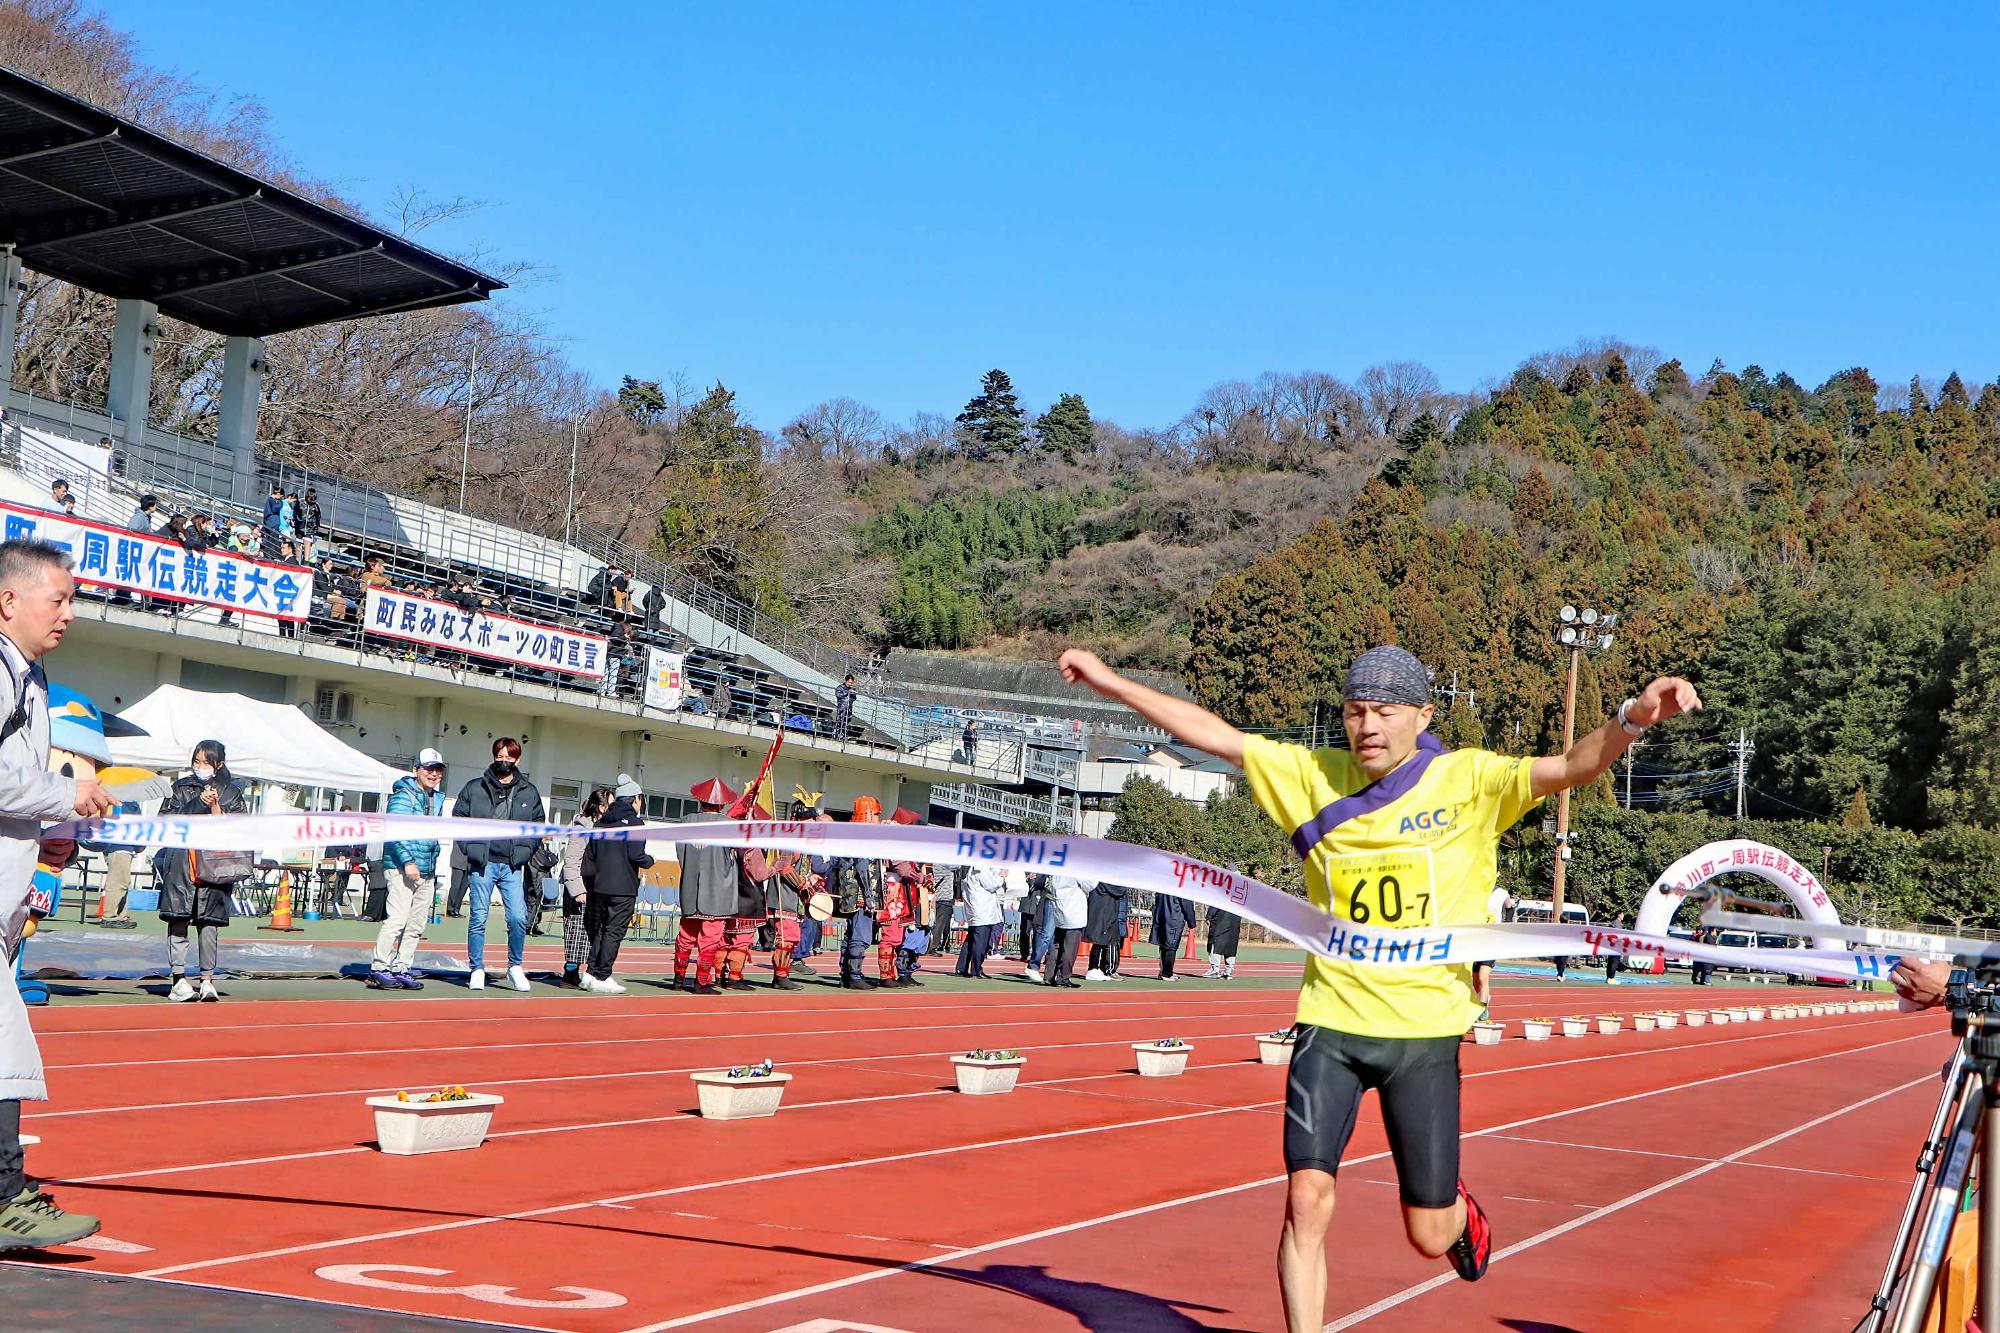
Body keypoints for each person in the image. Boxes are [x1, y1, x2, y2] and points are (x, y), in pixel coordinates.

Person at [1058, 641, 1701, 1323]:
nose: (1366, 725)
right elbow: (1218, 736)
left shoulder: (1470, 780)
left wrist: (1632, 716)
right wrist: (1112, 682)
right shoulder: (1312, 776)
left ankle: (1458, 1216)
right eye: (1355, 710)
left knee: (1426, 1233)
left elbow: (1573, 765)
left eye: (1384, 711)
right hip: (1330, 1021)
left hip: (1422, 1031)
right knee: (1306, 1196)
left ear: (1423, 714)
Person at [0, 540, 115, 1250]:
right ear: (9, 599)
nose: (69, 613)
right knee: (4, 1048)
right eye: (59, 598)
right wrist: (64, 797)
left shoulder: (30, 677)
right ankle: (7, 1194)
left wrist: (51, 826)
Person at [450, 737, 546, 992]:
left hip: (513, 865)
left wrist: (525, 852)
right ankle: (477, 968)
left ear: (517, 759)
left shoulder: (529, 791)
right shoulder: (475, 787)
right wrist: (470, 849)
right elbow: (458, 818)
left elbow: (538, 825)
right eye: (500, 755)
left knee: (517, 916)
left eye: (509, 756)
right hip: (482, 864)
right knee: (478, 917)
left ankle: (515, 966)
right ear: (494, 756)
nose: (504, 760)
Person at [155, 739, 248, 1002]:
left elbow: (240, 828)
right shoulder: (181, 788)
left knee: (209, 924)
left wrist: (217, 808)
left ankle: (207, 979)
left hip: (215, 866)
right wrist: (198, 803)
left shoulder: (232, 793)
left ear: (219, 764)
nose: (200, 767)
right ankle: (178, 980)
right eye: (197, 761)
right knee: (179, 919)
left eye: (206, 762)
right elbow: (166, 822)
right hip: (182, 863)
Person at [372, 750, 448, 990]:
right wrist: (407, 862)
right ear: (416, 769)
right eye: (428, 768)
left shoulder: (436, 799)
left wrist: (431, 864)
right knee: (397, 920)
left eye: (437, 769)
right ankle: (379, 966)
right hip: (401, 868)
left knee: (416, 925)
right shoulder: (403, 796)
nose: (433, 773)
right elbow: (394, 831)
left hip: (426, 870)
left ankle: (402, 966)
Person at [580, 776, 651, 994]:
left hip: (599, 886)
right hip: (623, 888)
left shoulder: (601, 823)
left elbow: (589, 856)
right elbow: (636, 855)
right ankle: (603, 974)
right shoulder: (636, 824)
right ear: (636, 799)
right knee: (614, 931)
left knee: (601, 930)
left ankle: (591, 973)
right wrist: (649, 860)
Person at [674, 786, 739, 994]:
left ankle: (678, 977)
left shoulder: (685, 821)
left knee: (686, 934)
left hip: (690, 886)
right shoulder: (729, 824)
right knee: (710, 938)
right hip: (718, 888)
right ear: (721, 804)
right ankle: (701, 981)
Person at [834, 796, 886, 990]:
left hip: (850, 894)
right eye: (877, 815)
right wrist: (870, 897)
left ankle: (846, 974)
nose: (879, 820)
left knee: (850, 934)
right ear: (870, 815)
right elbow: (863, 869)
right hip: (861, 895)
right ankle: (854, 975)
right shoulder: (862, 838)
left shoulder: (851, 835)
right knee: (861, 935)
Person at [560, 788, 609, 987]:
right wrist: (577, 889)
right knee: (576, 931)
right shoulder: (582, 827)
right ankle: (570, 972)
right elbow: (571, 860)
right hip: (580, 887)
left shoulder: (604, 827)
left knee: (591, 932)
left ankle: (587, 971)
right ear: (601, 806)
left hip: (596, 886)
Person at [1044, 870, 1091, 988]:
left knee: (1057, 945)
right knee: (1070, 948)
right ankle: (1063, 977)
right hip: (1072, 911)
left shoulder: (1059, 870)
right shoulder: (1075, 869)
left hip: (1060, 909)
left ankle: (1049, 975)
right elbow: (1090, 885)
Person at [956, 864, 1003, 978]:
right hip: (982, 910)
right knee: (980, 942)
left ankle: (961, 968)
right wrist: (1001, 876)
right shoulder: (980, 867)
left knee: (971, 941)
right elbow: (991, 885)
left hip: (977, 910)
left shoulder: (973, 868)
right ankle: (976, 970)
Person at [1085, 879, 1127, 980]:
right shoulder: (1105, 880)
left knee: (1099, 942)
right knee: (1106, 941)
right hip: (1105, 913)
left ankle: (1095, 968)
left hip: (1103, 912)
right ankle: (1103, 969)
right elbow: (1120, 890)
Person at [1205, 902, 1243, 980]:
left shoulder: (1220, 893)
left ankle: (1215, 970)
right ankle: (1228, 972)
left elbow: (1214, 905)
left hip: (1220, 922)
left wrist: (1209, 916)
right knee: (1231, 946)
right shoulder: (1238, 896)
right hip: (1234, 923)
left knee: (1216, 944)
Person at [833, 673, 858, 739]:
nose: (850, 684)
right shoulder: (840, 687)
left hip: (848, 709)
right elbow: (838, 695)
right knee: (840, 721)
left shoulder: (851, 689)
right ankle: (837, 735)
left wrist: (853, 694)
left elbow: (854, 699)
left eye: (851, 683)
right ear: (846, 681)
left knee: (847, 722)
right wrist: (848, 692)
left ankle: (843, 735)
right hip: (842, 708)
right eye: (849, 682)